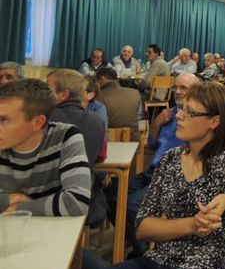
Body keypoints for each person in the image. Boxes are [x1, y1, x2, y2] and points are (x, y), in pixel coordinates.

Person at [85, 81, 225, 269]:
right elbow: (142, 227)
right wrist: (191, 225)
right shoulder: (170, 159)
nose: (179, 116)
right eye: (182, 109)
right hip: (156, 261)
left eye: (190, 113)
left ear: (214, 121)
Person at [105, 73, 199, 259]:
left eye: (183, 88)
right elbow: (152, 145)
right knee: (110, 192)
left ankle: (144, 255)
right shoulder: (168, 113)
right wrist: (156, 123)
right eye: (175, 87)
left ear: (196, 91)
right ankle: (134, 237)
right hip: (151, 172)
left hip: (173, 175)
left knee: (133, 205)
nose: (177, 92)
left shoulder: (196, 117)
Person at [0, 79, 92, 216]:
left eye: (3, 120)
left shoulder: (65, 137)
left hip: (52, 233)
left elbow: (76, 203)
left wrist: (19, 207)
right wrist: (12, 198)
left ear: (38, 122)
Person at [47, 69, 106, 169]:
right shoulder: (98, 120)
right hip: (85, 182)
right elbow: (101, 157)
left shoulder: (44, 119)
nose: (43, 93)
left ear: (63, 94)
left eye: (47, 90)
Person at [96, 67, 144, 140]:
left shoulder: (98, 97)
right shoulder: (135, 93)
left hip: (107, 141)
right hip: (132, 141)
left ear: (101, 79)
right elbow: (140, 117)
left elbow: (97, 122)